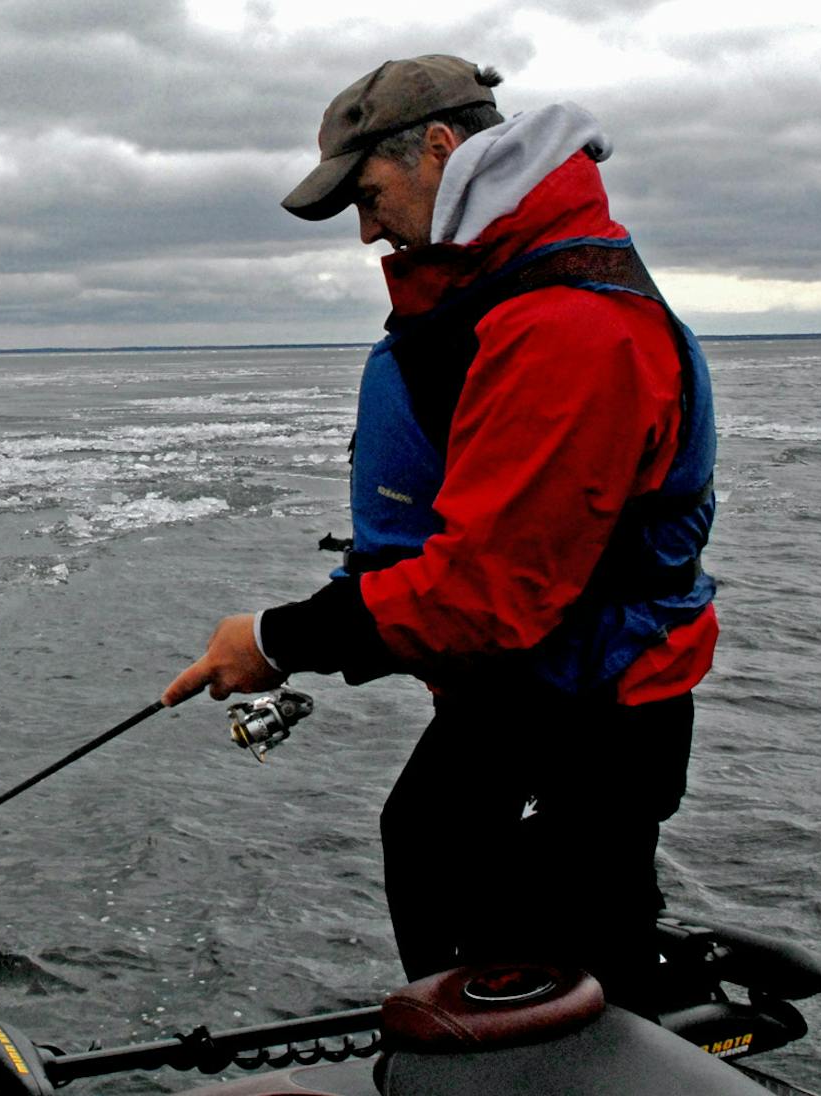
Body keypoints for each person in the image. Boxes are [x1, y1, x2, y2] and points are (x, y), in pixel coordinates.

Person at [161, 54, 719, 1007]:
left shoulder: (570, 331)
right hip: (523, 688)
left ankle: (593, 1036)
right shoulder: (501, 298)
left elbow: (488, 592)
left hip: (600, 705)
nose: (367, 230)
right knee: (427, 845)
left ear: (440, 149)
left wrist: (276, 641)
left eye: (369, 197)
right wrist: (314, 623)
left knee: (534, 957)